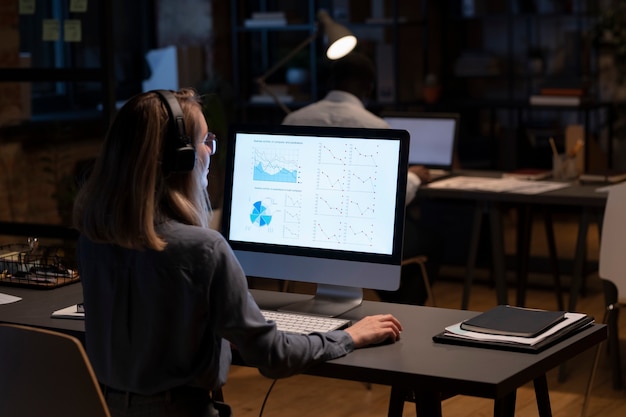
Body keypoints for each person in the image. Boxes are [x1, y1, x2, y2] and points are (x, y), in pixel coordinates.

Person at [72, 88, 402, 417]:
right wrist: (349, 336)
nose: (211, 152)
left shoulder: (94, 239)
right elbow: (272, 356)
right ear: (181, 157)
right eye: (205, 141)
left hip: (106, 407)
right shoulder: (205, 250)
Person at [283, 52, 443, 306]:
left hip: (301, 232)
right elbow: (390, 200)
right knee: (430, 240)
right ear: (368, 87)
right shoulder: (376, 126)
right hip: (359, 234)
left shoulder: (293, 119)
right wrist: (412, 177)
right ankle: (403, 310)